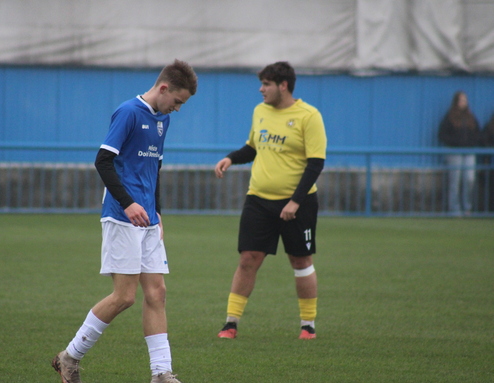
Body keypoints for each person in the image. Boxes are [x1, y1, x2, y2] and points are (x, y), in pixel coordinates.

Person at [51, 59, 197, 383]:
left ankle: (161, 373)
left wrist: (157, 210)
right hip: (121, 216)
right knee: (125, 297)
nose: (178, 108)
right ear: (164, 88)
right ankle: (69, 356)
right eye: (178, 101)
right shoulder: (128, 112)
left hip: (146, 218)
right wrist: (128, 203)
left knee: (157, 293)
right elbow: (103, 161)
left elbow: (154, 168)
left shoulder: (162, 121)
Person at [214, 61, 327, 340]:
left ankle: (308, 326)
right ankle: (230, 324)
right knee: (248, 259)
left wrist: (295, 202)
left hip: (297, 204)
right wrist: (231, 157)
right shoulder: (260, 111)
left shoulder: (309, 116)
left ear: (283, 86)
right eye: (261, 83)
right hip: (259, 200)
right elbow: (253, 147)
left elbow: (316, 163)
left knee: (301, 262)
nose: (261, 89)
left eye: (266, 84)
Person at [438, 91, 482, 215]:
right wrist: (455, 142)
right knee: (455, 181)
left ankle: (467, 207)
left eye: (465, 100)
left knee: (469, 179)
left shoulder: (471, 117)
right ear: (456, 101)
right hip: (454, 152)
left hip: (468, 151)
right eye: (461, 100)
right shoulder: (450, 117)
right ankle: (455, 208)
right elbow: (442, 134)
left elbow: (478, 133)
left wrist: (471, 142)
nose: (463, 102)